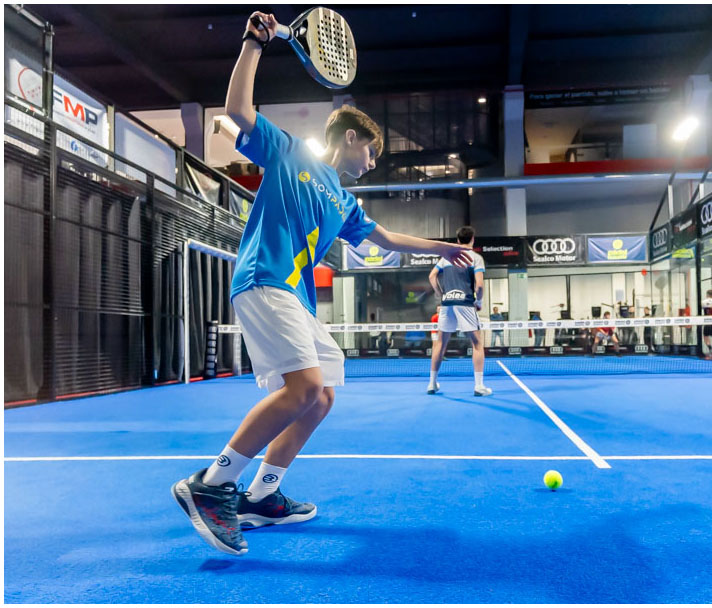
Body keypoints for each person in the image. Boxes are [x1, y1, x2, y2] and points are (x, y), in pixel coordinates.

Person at [171, 12, 473, 557]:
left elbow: (387, 238)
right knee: (304, 389)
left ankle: (262, 495)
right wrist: (254, 44)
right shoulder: (291, 154)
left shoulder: (345, 201)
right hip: (265, 279)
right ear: (350, 137)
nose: (373, 162)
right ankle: (213, 483)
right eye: (372, 152)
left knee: (323, 394)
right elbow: (236, 112)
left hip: (296, 299)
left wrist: (442, 247)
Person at [427, 226, 492, 397]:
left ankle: (432, 384)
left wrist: (440, 294)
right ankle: (479, 386)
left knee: (440, 343)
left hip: (447, 303)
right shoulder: (476, 258)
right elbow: (479, 286)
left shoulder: (446, 258)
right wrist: (479, 302)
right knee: (477, 344)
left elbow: (432, 276)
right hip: (465, 303)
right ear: (472, 239)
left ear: (457, 240)